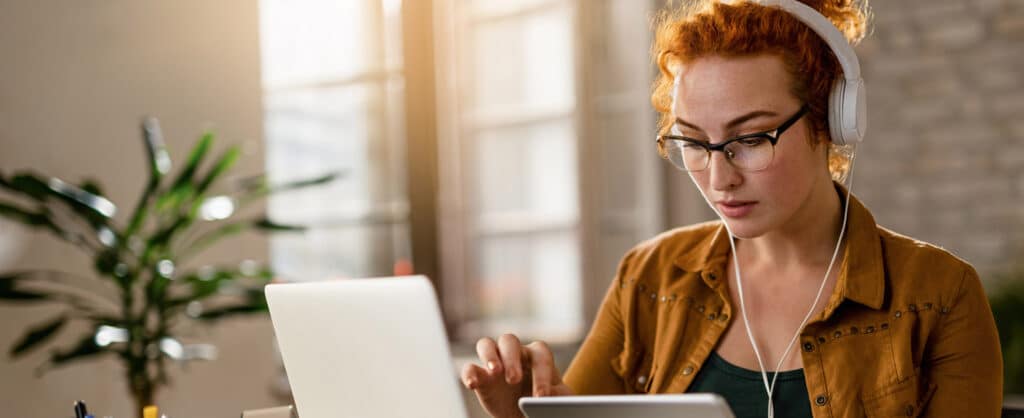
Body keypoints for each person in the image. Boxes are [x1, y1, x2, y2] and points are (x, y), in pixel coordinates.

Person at [460, 0, 1004, 417]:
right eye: (693, 142)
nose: (720, 179)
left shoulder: (938, 295)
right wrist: (520, 412)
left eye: (750, 139)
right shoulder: (648, 278)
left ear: (829, 122)